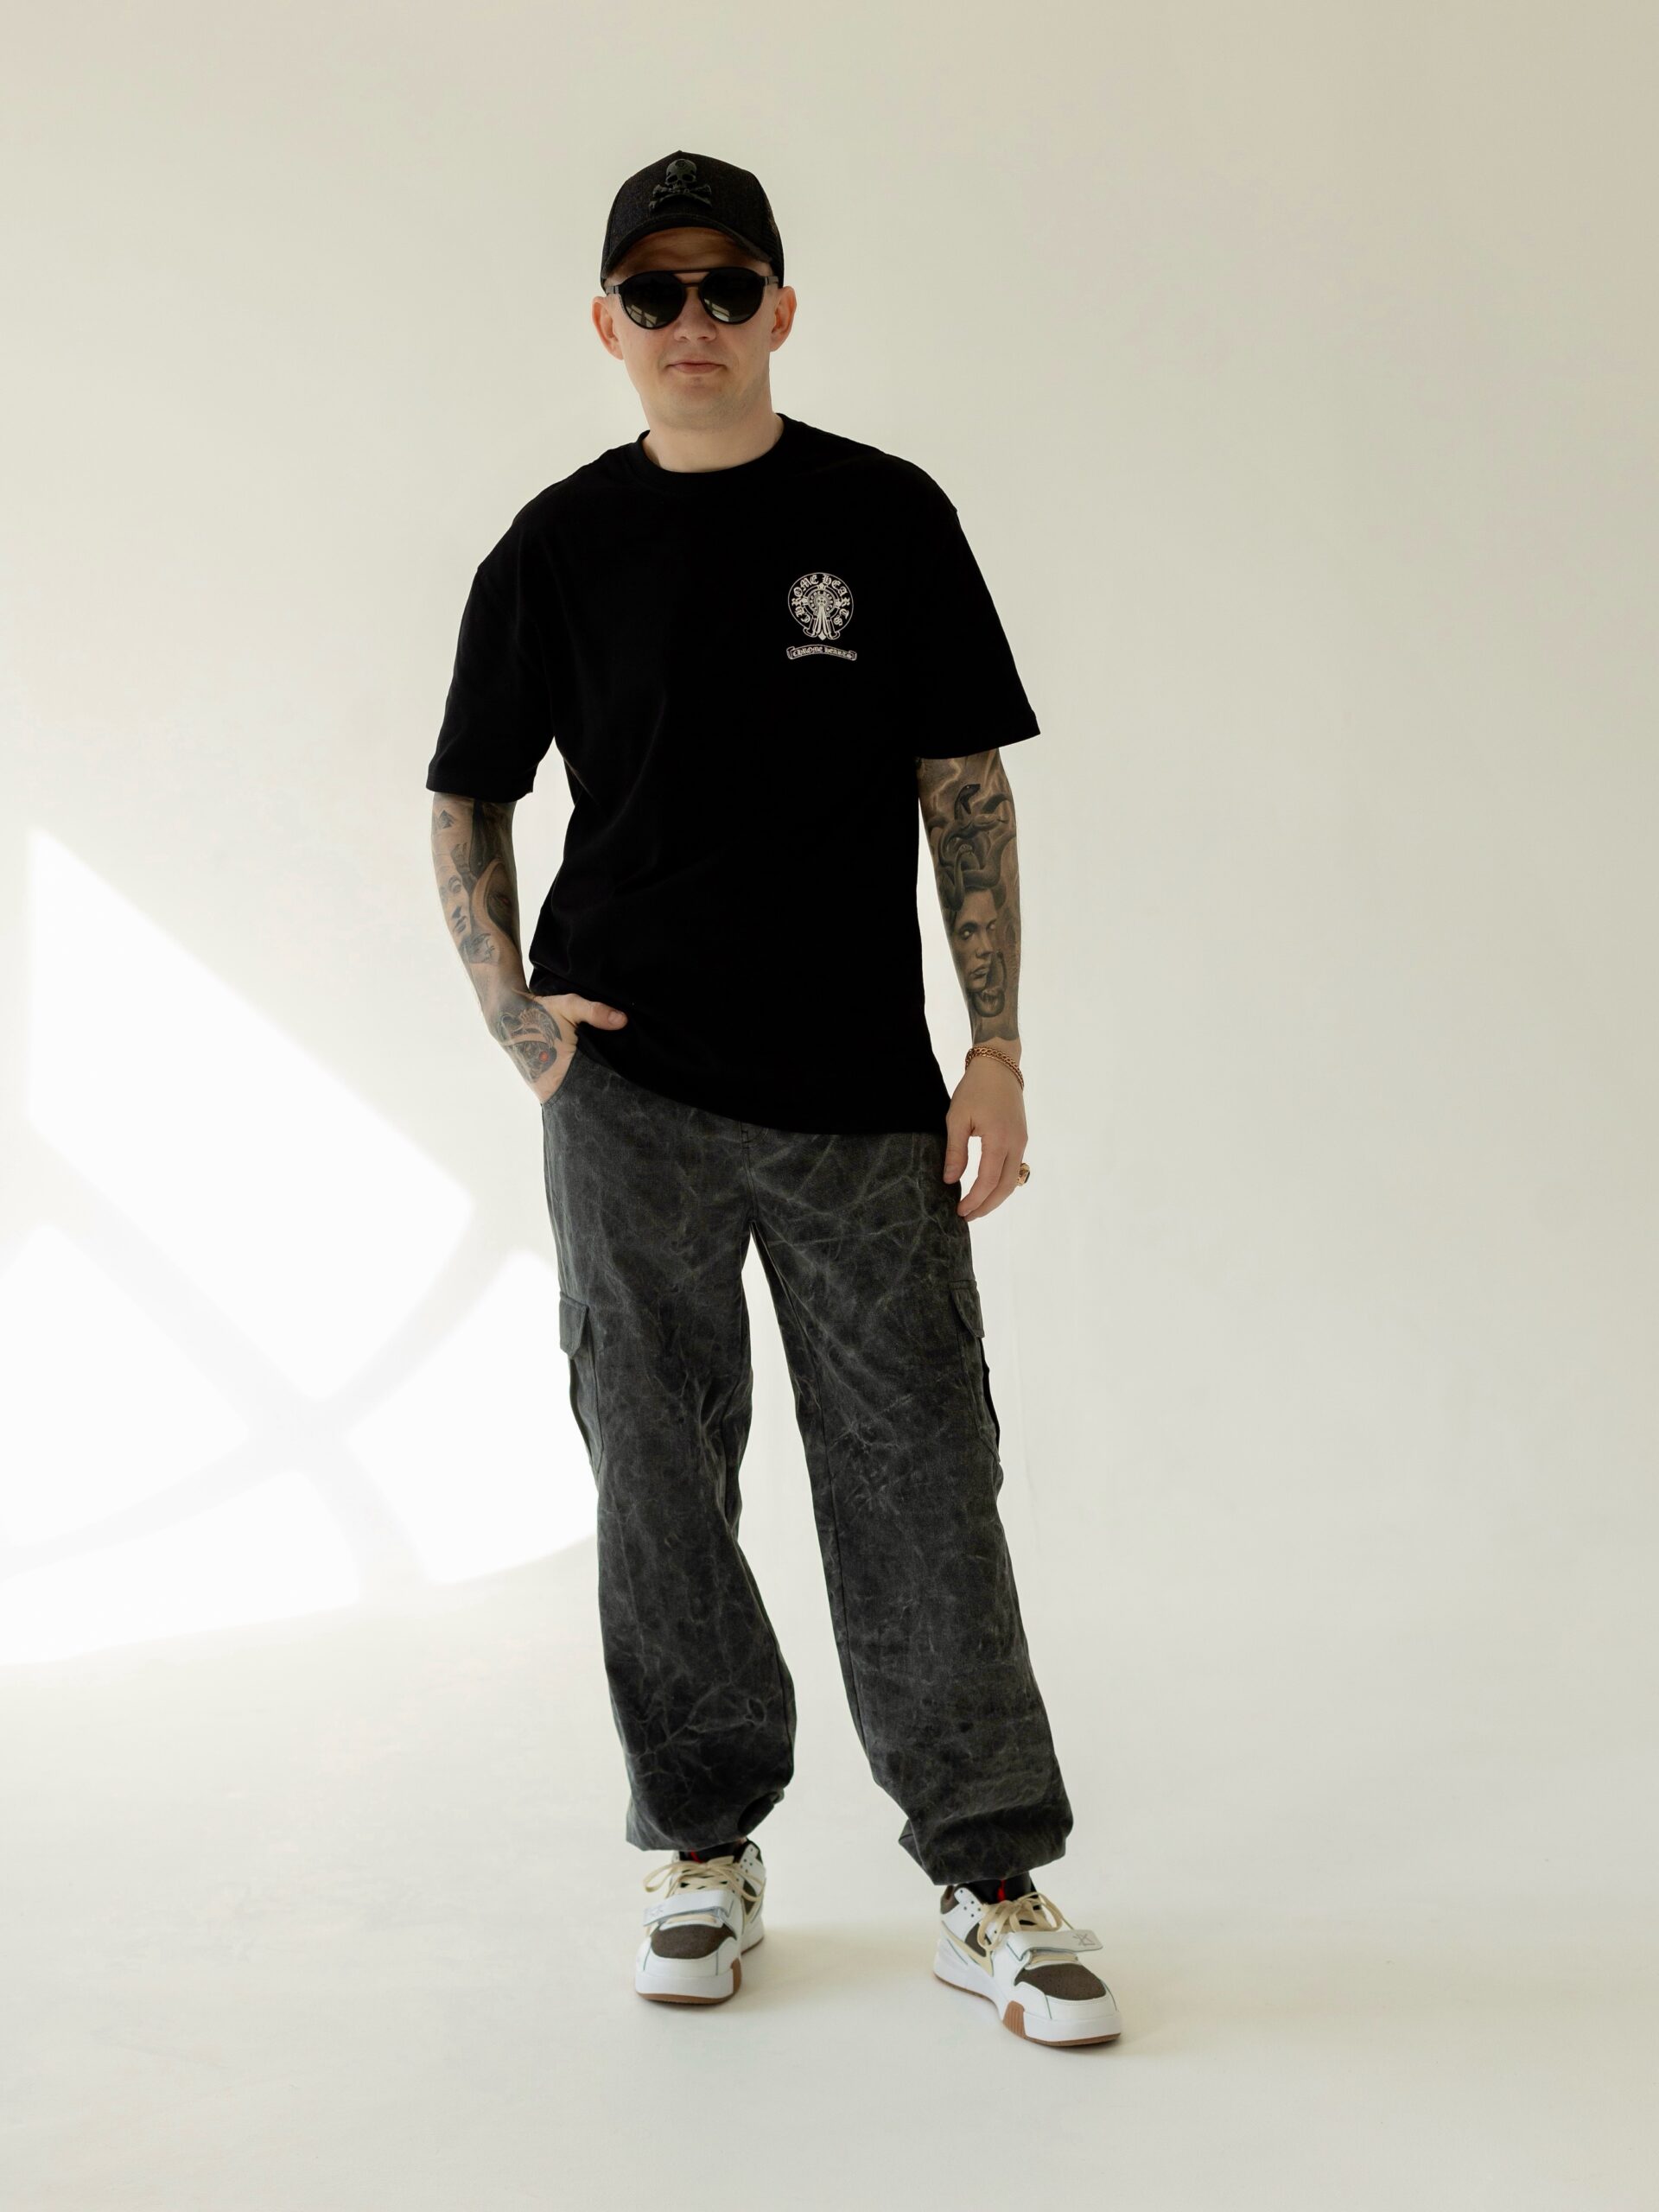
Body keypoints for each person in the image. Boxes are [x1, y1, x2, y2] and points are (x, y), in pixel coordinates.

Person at [425, 149, 1121, 2049]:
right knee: (659, 1476)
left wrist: (995, 1046)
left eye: (727, 287)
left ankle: (990, 1877)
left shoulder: (884, 516)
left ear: (781, 310)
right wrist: (518, 1021)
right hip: (630, 1092)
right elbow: (468, 789)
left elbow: (964, 786)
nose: (695, 322)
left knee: (921, 1474)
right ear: (608, 325)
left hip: (860, 1100)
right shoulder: (558, 545)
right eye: (656, 293)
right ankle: (700, 1847)